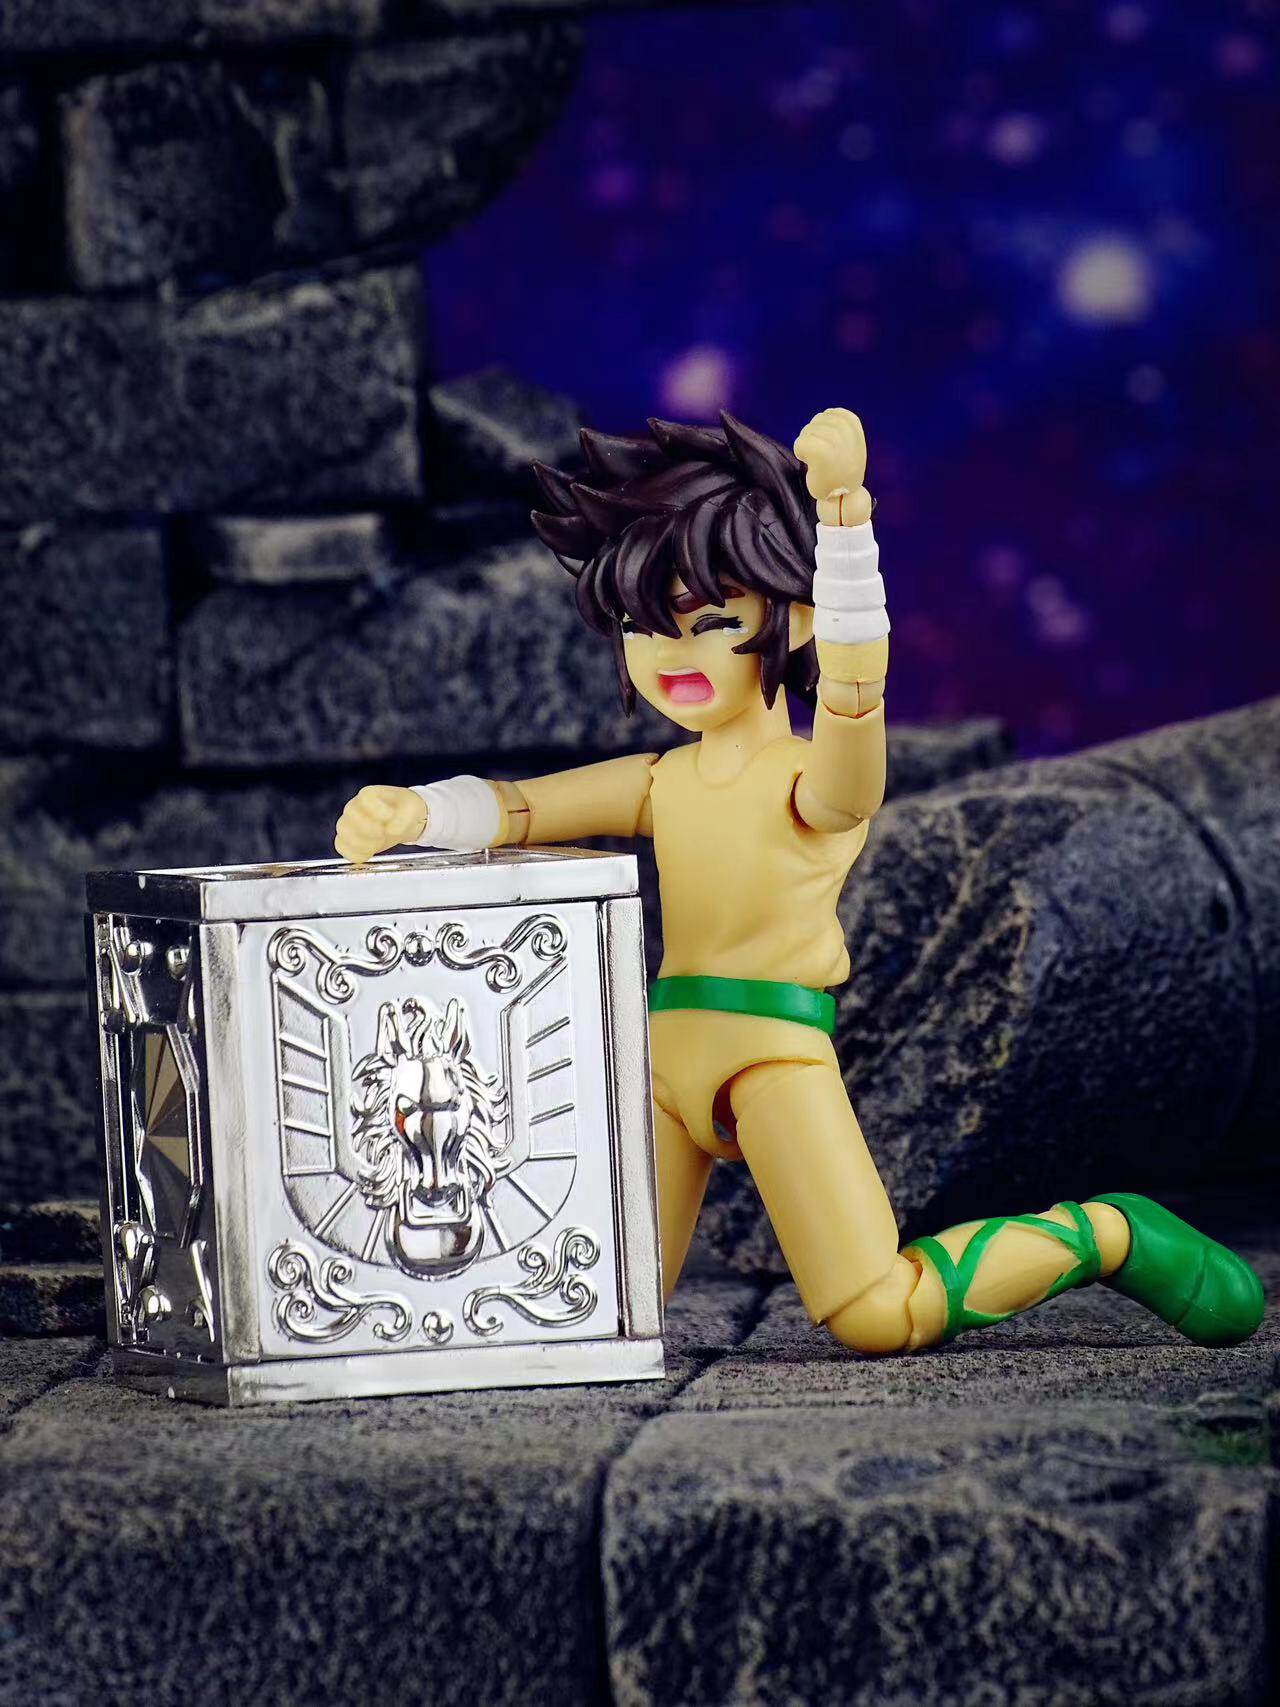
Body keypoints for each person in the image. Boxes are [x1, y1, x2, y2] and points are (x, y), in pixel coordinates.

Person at [334, 407, 1263, 1353]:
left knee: (878, 1310)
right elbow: (521, 807)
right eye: (645, 625)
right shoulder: (663, 779)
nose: (674, 654)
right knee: (601, 1300)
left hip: (774, 1052)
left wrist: (845, 524)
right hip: (665, 1061)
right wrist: (418, 813)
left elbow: (856, 701)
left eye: (714, 620)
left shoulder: (812, 785)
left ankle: (1106, 1234)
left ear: (797, 614)